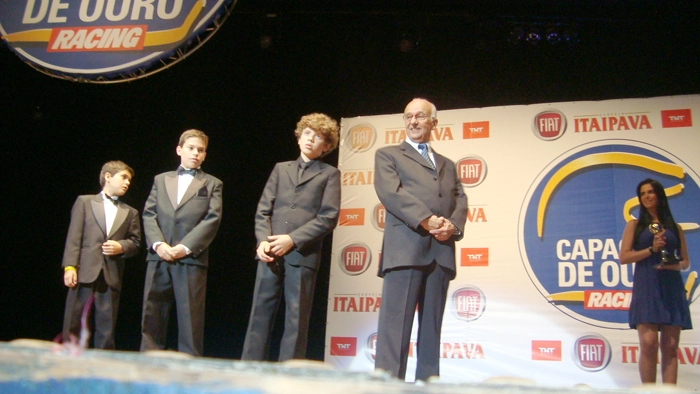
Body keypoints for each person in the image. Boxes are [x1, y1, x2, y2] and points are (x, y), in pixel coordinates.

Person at [373, 98, 468, 381]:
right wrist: (426, 219)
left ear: (433, 123)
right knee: (394, 334)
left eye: (420, 116)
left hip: (440, 252)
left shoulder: (448, 165)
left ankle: (428, 387)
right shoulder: (388, 155)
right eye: (408, 116)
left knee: (431, 335)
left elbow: (460, 199)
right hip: (404, 252)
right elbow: (391, 193)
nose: (413, 122)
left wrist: (453, 225)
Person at [241, 113, 341, 361]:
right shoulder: (281, 168)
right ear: (298, 137)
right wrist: (263, 240)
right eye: (307, 133)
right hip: (269, 252)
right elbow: (263, 209)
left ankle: (290, 376)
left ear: (326, 146)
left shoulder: (330, 174)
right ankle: (249, 370)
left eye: (318, 136)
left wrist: (292, 239)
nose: (310, 139)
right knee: (259, 315)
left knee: (296, 320)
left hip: (302, 254)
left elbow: (328, 217)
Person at [140, 129, 223, 356]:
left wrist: (184, 247)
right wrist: (159, 244)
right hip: (159, 255)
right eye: (191, 148)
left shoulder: (213, 183)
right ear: (179, 150)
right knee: (152, 313)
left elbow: (212, 219)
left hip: (190, 258)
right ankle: (148, 363)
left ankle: (189, 371)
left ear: (205, 155)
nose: (196, 153)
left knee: (190, 319)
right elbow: (149, 214)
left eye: (201, 150)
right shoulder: (161, 179)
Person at [61, 160, 141, 349]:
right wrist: (70, 266)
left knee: (106, 325)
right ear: (108, 177)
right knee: (75, 318)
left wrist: (121, 246)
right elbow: (74, 237)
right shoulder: (85, 202)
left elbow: (135, 243)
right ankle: (69, 357)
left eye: (129, 180)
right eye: (123, 177)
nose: (127, 183)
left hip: (110, 273)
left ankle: (103, 363)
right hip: (84, 270)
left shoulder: (130, 212)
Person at [619, 178, 692, 385]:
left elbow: (685, 261)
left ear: (659, 195)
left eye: (650, 192)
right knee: (649, 343)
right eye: (642, 194)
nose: (646, 197)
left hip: (671, 287)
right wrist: (651, 249)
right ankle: (648, 390)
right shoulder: (634, 225)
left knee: (670, 347)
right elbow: (624, 257)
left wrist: (675, 265)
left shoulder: (675, 227)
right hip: (647, 286)